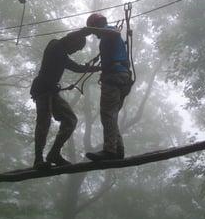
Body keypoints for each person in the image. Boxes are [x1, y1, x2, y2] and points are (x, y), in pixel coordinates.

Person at [31, 31, 100, 169]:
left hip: (52, 92)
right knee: (43, 124)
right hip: (43, 91)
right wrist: (88, 30)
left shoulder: (62, 53)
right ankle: (38, 160)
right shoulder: (55, 45)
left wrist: (98, 67)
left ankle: (54, 154)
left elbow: (77, 68)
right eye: (76, 48)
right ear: (72, 40)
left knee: (70, 120)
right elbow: (75, 66)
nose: (74, 51)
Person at [83, 13, 132, 161]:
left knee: (107, 115)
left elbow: (114, 31)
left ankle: (110, 150)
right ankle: (119, 150)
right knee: (111, 115)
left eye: (93, 30)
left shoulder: (109, 32)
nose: (94, 34)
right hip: (123, 77)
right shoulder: (108, 37)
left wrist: (87, 30)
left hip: (114, 78)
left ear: (96, 25)